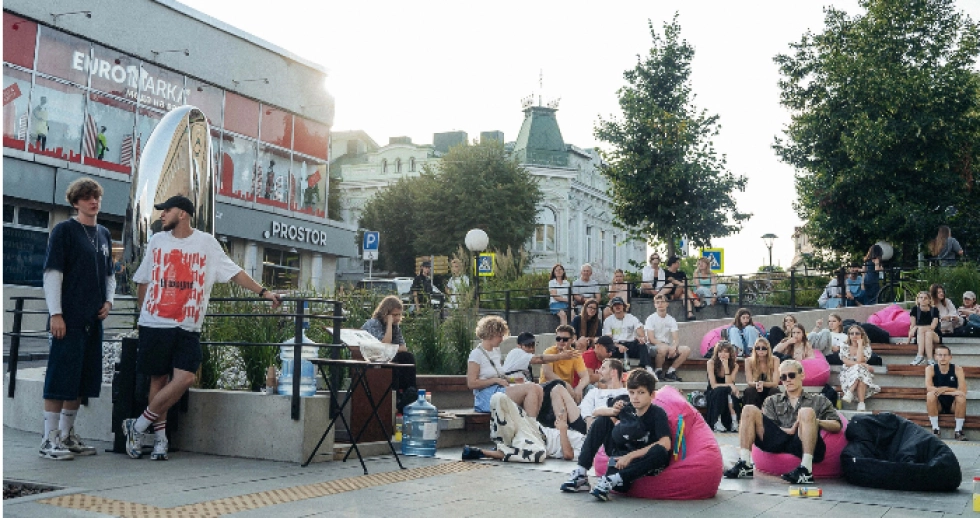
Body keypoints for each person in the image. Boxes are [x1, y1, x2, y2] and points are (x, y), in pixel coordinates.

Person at [124, 195, 282, 461]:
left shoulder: (207, 243)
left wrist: (263, 292)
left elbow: (234, 272)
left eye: (167, 210)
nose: (162, 215)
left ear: (183, 214)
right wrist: (144, 316)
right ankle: (160, 440)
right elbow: (143, 280)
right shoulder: (157, 241)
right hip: (155, 322)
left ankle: (137, 425)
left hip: (187, 325)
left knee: (185, 378)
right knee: (158, 380)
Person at [39, 178, 115, 460]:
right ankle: (49, 438)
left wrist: (109, 302)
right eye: (86, 197)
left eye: (95, 196)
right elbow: (52, 273)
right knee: (60, 375)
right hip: (68, 317)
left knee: (82, 378)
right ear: (75, 202)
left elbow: (110, 274)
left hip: (92, 319)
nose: (92, 201)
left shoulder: (105, 234)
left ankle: (68, 434)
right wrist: (55, 313)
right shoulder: (64, 231)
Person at [725, 359, 843, 484]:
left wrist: (813, 422)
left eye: (791, 375)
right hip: (777, 440)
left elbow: (837, 425)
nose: (788, 379)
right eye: (783, 377)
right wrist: (790, 430)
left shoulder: (819, 400)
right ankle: (745, 464)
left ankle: (805, 470)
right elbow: (768, 428)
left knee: (806, 411)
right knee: (748, 409)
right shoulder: (772, 400)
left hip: (803, 441)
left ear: (802, 375)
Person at [560, 369, 671, 501]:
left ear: (652, 395)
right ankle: (581, 473)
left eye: (641, 393)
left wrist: (630, 456)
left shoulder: (657, 413)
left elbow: (666, 443)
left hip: (640, 459)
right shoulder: (627, 407)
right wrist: (613, 411)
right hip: (621, 455)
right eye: (632, 392)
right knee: (602, 420)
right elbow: (596, 412)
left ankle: (614, 479)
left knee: (661, 452)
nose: (635, 397)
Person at [462, 383, 587, 463]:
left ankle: (483, 452)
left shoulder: (589, 451)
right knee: (499, 398)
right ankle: (505, 441)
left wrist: (563, 430)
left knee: (538, 454)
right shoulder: (586, 437)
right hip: (536, 429)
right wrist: (562, 422)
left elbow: (568, 454)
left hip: (538, 443)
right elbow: (557, 389)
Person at [466, 315, 544, 415]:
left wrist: (514, 380)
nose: (502, 339)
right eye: (500, 336)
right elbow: (471, 383)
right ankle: (531, 426)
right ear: (491, 334)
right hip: (485, 397)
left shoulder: (495, 351)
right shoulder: (476, 354)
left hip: (499, 390)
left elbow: (500, 376)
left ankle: (530, 424)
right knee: (531, 388)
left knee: (537, 388)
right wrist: (495, 380)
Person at [361, 296, 418, 413]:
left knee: (407, 357)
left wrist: (391, 347)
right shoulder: (373, 324)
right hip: (370, 362)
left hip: (385, 360)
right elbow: (383, 345)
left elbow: (403, 347)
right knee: (394, 359)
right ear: (386, 313)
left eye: (399, 315)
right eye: (395, 315)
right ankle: (395, 396)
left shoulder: (395, 327)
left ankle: (410, 392)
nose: (398, 318)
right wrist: (389, 325)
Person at [602, 297, 655, 373]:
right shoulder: (608, 321)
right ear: (612, 308)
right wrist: (618, 346)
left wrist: (640, 338)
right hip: (616, 346)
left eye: (619, 304)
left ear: (624, 306)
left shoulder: (632, 318)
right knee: (608, 348)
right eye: (615, 305)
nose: (617, 306)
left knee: (642, 345)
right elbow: (608, 340)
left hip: (630, 344)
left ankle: (647, 368)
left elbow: (642, 333)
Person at [644, 294, 690, 381]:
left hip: (667, 346)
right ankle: (658, 371)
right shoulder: (650, 319)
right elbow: (651, 339)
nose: (660, 304)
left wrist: (674, 347)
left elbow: (675, 338)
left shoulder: (671, 319)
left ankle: (670, 372)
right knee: (663, 348)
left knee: (686, 350)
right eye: (657, 302)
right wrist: (667, 347)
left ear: (667, 304)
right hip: (652, 346)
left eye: (662, 302)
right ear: (655, 305)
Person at [926, 345, 968, 441]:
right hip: (938, 404)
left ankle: (958, 431)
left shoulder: (957, 369)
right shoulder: (930, 369)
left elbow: (963, 390)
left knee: (961, 397)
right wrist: (952, 391)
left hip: (953, 404)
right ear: (935, 356)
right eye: (940, 355)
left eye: (945, 355)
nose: (943, 358)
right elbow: (929, 387)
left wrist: (944, 389)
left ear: (950, 357)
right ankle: (936, 429)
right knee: (930, 395)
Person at [501, 331, 578, 383]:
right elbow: (538, 359)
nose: (531, 348)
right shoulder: (517, 352)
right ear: (519, 346)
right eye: (528, 346)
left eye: (532, 345)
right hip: (513, 387)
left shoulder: (524, 359)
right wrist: (561, 356)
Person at [540, 325, 590, 403]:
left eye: (565, 339)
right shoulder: (549, 352)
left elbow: (585, 376)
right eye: (558, 338)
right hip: (548, 388)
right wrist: (565, 384)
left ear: (572, 340)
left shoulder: (575, 354)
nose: (561, 341)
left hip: (567, 389)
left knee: (589, 388)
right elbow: (548, 374)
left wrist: (579, 388)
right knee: (558, 389)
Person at [839, 325, 879, 412]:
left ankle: (850, 392)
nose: (854, 335)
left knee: (860, 373)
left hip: (862, 372)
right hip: (847, 372)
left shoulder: (866, 347)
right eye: (851, 333)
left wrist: (860, 345)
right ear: (848, 335)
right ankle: (861, 404)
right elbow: (846, 362)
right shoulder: (844, 345)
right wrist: (864, 365)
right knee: (859, 369)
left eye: (857, 333)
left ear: (862, 335)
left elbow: (860, 359)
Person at [578, 358, 628, 428]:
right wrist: (589, 419)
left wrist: (599, 412)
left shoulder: (627, 393)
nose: (598, 371)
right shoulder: (594, 392)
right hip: (592, 426)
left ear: (613, 372)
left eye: (603, 368)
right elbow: (584, 406)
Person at [706, 341, 741, 432]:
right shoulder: (711, 363)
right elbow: (713, 385)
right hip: (713, 392)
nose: (723, 354)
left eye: (726, 351)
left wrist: (726, 366)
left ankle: (734, 422)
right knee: (721, 391)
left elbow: (729, 381)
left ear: (730, 353)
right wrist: (729, 385)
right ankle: (717, 421)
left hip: (728, 391)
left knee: (730, 394)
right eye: (720, 351)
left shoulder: (735, 365)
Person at [742, 338, 779, 408]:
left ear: (768, 349)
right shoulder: (748, 361)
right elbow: (749, 382)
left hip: (770, 387)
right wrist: (757, 384)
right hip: (755, 387)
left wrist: (763, 384)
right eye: (758, 348)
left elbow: (775, 383)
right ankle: (751, 416)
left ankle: (773, 417)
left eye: (764, 348)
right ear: (754, 349)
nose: (760, 350)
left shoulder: (775, 360)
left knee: (775, 391)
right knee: (749, 391)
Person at [909, 290, 941, 366]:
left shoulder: (934, 310)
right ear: (918, 299)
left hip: (935, 335)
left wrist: (917, 327)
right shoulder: (915, 309)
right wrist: (908, 339)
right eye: (921, 297)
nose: (923, 299)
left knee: (926, 331)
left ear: (929, 300)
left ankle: (919, 356)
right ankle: (930, 359)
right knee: (927, 333)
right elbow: (912, 326)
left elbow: (933, 326)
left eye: (925, 298)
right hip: (921, 336)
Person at [664, 256, 696, 320]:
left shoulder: (681, 273)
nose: (679, 264)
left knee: (684, 296)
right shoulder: (665, 272)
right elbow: (671, 280)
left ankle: (689, 313)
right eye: (678, 262)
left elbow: (687, 283)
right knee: (682, 285)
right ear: (673, 264)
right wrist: (681, 283)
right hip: (672, 294)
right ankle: (695, 301)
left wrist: (683, 284)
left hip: (681, 293)